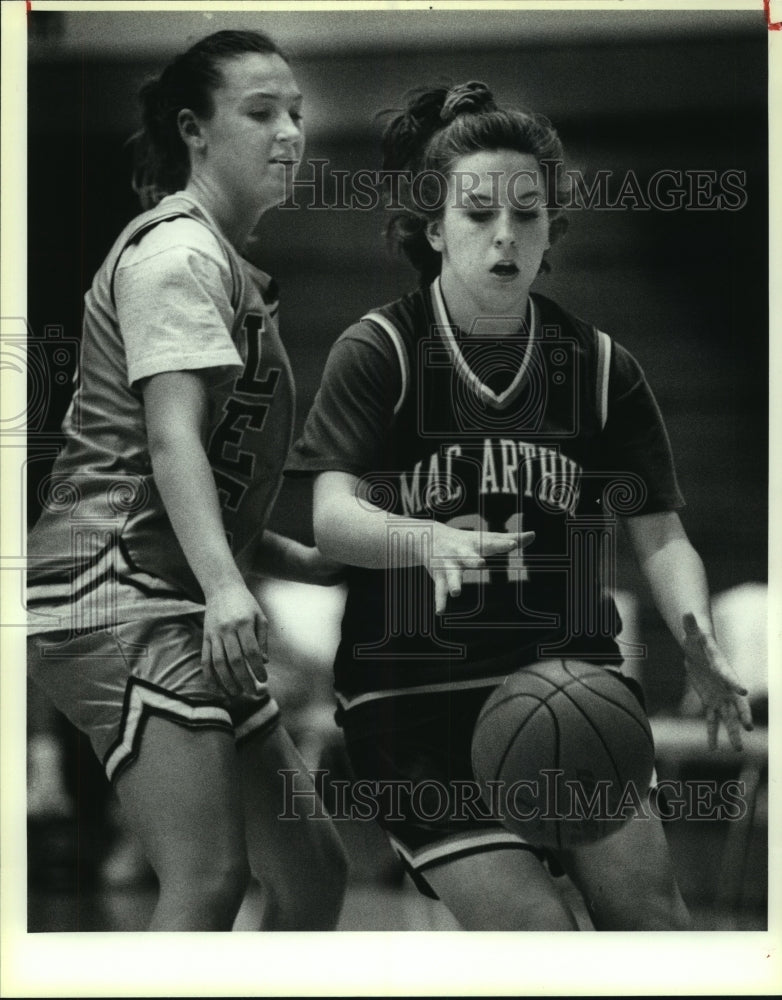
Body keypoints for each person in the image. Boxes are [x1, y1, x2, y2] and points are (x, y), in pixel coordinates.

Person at [288, 81, 754, 931]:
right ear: (435, 228)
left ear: (552, 232)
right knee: (536, 935)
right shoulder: (382, 349)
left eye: (527, 214)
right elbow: (331, 516)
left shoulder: (601, 366)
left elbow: (660, 534)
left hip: (568, 684)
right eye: (477, 213)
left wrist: (696, 635)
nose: (504, 234)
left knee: (657, 926)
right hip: (414, 705)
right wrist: (422, 540)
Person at [26, 29, 348, 931]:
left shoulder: (226, 265)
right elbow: (171, 444)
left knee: (313, 874)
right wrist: (225, 586)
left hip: (164, 582)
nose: (290, 132)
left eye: (296, 113)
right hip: (110, 587)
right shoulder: (179, 256)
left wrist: (297, 561)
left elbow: (196, 478)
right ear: (194, 131)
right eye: (261, 113)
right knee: (207, 877)